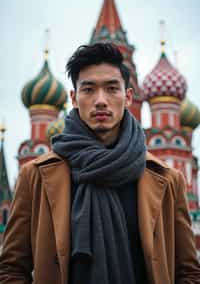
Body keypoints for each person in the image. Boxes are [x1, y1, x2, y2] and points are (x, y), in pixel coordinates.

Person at [0, 43, 200, 284]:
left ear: (128, 97)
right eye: (89, 89)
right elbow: (10, 269)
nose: (101, 101)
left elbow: (188, 272)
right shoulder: (36, 176)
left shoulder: (167, 180)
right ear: (73, 98)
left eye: (112, 88)